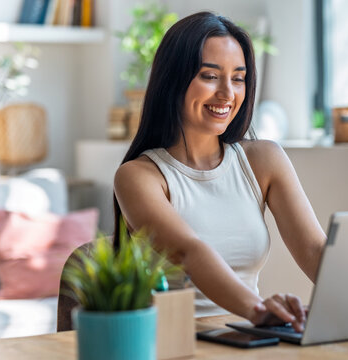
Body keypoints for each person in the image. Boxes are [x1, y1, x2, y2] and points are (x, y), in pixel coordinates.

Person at [113, 11, 326, 332]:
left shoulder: (264, 159)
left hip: (250, 341)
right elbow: (190, 252)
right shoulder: (139, 176)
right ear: (174, 80)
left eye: (238, 78)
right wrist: (258, 311)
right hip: (176, 343)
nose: (228, 93)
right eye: (210, 76)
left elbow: (314, 249)